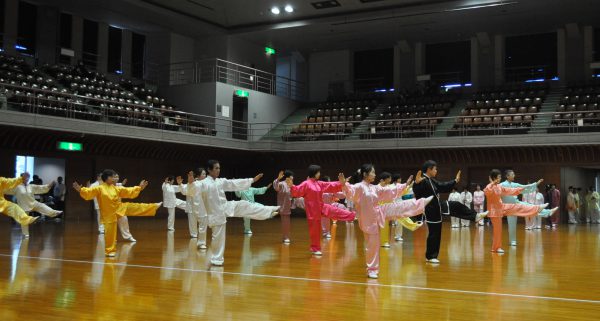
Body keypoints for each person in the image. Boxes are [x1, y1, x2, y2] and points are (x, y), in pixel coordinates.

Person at [342, 164, 432, 279]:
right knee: (372, 245)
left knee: (398, 207)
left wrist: (405, 185)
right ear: (365, 174)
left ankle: (421, 203)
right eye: (372, 172)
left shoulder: (374, 187)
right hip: (368, 220)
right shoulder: (359, 187)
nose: (374, 174)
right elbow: (350, 193)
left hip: (379, 212)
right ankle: (372, 270)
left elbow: (388, 191)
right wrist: (344, 184)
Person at [186, 160, 279, 266]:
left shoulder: (220, 181)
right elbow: (192, 190)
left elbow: (233, 183)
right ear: (209, 170)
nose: (218, 170)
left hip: (226, 207)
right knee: (218, 238)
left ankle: (269, 212)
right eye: (216, 168)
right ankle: (216, 259)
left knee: (245, 205)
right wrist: (190, 183)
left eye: (219, 168)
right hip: (215, 214)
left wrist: (252, 180)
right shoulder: (202, 183)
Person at [412, 160, 488, 264]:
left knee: (456, 205)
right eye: (435, 169)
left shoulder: (431, 180)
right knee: (434, 233)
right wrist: (416, 183)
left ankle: (475, 216)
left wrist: (455, 181)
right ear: (429, 169)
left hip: (437, 207)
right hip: (430, 211)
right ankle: (430, 256)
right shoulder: (422, 180)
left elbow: (442, 186)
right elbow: (417, 192)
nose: (436, 170)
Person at [73, 169, 161, 257]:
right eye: (112, 177)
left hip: (119, 208)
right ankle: (109, 251)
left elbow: (128, 191)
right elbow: (88, 193)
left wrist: (140, 188)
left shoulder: (115, 188)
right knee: (110, 234)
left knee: (135, 207)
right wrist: (80, 190)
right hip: (108, 214)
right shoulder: (99, 188)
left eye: (114, 177)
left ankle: (153, 207)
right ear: (106, 178)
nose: (114, 178)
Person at [287, 164, 355, 256]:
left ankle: (352, 216)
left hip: (321, 206)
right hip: (312, 211)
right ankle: (315, 249)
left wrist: (341, 183)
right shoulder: (306, 183)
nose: (319, 173)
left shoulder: (319, 183)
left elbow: (330, 185)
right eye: (318, 172)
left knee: (336, 210)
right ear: (314, 173)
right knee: (315, 229)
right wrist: (291, 186)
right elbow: (297, 191)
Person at [485, 169, 556, 253]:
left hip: (504, 207)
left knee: (522, 207)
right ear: (494, 178)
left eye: (500, 177)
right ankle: (496, 248)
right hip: (495, 211)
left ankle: (540, 209)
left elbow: (513, 190)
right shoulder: (493, 186)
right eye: (498, 177)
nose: (499, 178)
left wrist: (531, 186)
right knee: (498, 230)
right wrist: (492, 182)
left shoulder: (500, 187)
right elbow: (487, 191)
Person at [500, 170, 547, 247]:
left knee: (514, 223)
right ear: (507, 176)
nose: (514, 175)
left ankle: (545, 211)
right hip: (507, 207)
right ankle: (508, 241)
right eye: (512, 174)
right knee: (509, 224)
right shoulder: (502, 185)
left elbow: (524, 187)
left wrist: (536, 184)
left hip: (515, 205)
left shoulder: (515, 184)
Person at [178, 168, 208, 242]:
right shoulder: (192, 184)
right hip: (191, 207)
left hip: (201, 207)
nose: (205, 175)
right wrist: (180, 184)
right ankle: (194, 237)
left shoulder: (206, 184)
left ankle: (201, 240)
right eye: (203, 174)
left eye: (205, 174)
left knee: (203, 223)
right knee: (192, 224)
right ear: (198, 176)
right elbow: (184, 191)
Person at [273, 170, 294, 244]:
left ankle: (286, 237)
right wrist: (278, 179)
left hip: (288, 206)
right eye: (291, 176)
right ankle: (286, 238)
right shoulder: (281, 184)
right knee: (285, 223)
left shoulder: (291, 184)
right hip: (283, 206)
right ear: (288, 177)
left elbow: (294, 193)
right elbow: (276, 187)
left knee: (287, 223)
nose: (292, 178)